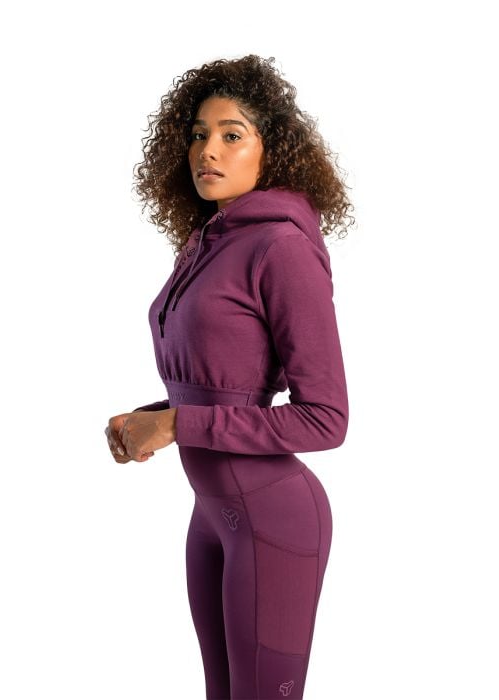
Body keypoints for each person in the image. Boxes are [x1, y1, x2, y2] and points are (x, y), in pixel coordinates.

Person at [105, 54, 354, 699]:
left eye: (231, 134)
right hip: (213, 518)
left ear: (272, 151)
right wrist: (152, 418)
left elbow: (326, 419)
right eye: (197, 134)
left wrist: (177, 424)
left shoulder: (282, 248)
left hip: (273, 519)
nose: (207, 150)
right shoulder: (208, 242)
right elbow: (222, 387)